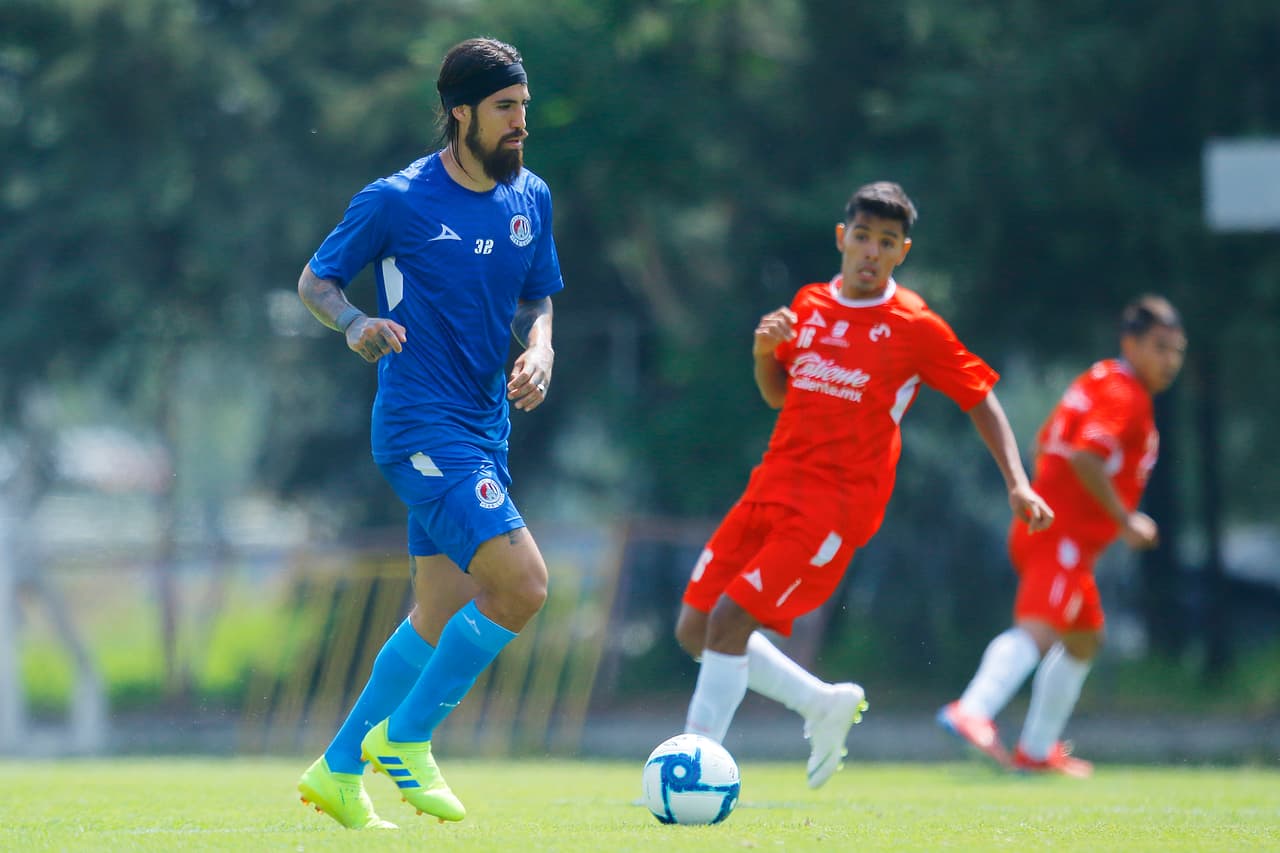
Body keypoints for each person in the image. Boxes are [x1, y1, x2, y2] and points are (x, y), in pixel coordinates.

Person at [675, 181, 1054, 789]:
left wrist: (1017, 481)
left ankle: (690, 775)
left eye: (886, 242)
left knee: (726, 621)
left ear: (903, 251)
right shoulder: (809, 304)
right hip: (769, 486)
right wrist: (761, 354)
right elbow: (781, 394)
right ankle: (821, 703)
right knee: (695, 629)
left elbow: (980, 398)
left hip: (832, 507)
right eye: (862, 237)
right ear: (841, 238)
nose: (871, 252)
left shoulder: (913, 325)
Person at [293, 37, 563, 829]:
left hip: (485, 427)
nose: (521, 125)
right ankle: (407, 736)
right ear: (460, 114)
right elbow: (317, 280)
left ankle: (339, 767)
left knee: (440, 605)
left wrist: (541, 352)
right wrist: (352, 324)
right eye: (505, 110)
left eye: (524, 109)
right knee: (523, 586)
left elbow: (538, 298)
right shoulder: (398, 199)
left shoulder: (531, 198)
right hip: (419, 424)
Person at [937, 295, 1186, 777]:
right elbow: (1085, 456)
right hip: (1062, 537)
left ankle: (1036, 750)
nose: (1169, 360)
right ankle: (972, 708)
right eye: (1160, 347)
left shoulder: (1099, 379)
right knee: (1039, 629)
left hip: (1054, 532)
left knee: (1085, 640)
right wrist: (1124, 518)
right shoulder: (1125, 394)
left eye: (1177, 350)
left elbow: (1049, 443)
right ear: (1130, 343)